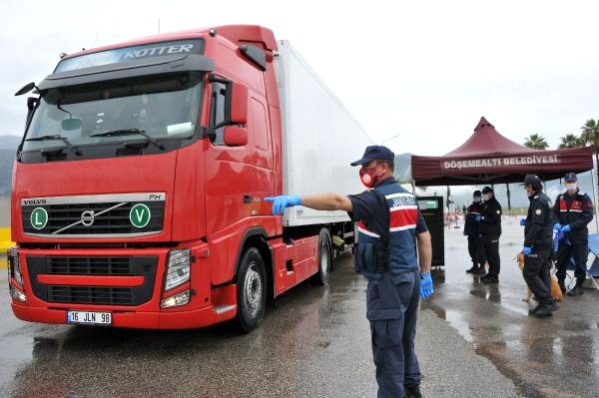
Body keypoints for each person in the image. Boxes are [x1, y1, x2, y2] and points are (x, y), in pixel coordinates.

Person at [265, 145, 433, 398]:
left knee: (388, 350)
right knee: (406, 340)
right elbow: (424, 237)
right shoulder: (407, 197)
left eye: (368, 166)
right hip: (408, 280)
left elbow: (337, 201)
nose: (364, 171)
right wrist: (425, 273)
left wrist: (296, 199)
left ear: (384, 167)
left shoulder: (377, 199)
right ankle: (412, 389)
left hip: (387, 283)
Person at [521, 174, 559, 317]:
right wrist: (527, 222)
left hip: (539, 244)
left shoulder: (538, 201)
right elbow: (542, 221)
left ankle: (548, 301)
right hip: (545, 243)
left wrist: (527, 243)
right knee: (543, 273)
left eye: (526, 187)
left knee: (529, 273)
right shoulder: (544, 198)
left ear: (531, 187)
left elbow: (537, 226)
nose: (526, 190)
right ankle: (544, 305)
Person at [553, 172, 593, 296]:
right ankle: (560, 283)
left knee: (580, 261)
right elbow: (554, 214)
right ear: (565, 183)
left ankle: (579, 286)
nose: (571, 184)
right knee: (561, 260)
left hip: (579, 236)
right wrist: (556, 223)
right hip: (563, 236)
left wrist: (571, 226)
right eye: (568, 182)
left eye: (573, 182)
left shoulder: (584, 197)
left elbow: (588, 216)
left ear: (577, 182)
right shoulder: (560, 198)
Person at [479, 186, 502, 284]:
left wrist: (483, 218)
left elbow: (495, 219)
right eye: (483, 194)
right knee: (488, 255)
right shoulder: (486, 204)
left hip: (493, 234)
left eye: (485, 194)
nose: (483, 196)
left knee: (493, 255)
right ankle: (491, 273)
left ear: (490, 194)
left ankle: (495, 276)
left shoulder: (495, 205)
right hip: (486, 234)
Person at [464, 190, 485, 274]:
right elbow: (467, 218)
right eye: (475, 196)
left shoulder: (483, 207)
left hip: (479, 233)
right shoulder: (470, 207)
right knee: (471, 250)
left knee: (480, 250)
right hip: (471, 233)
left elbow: (484, 219)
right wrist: (466, 231)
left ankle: (482, 267)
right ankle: (475, 266)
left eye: (478, 196)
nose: (476, 198)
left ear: (480, 197)